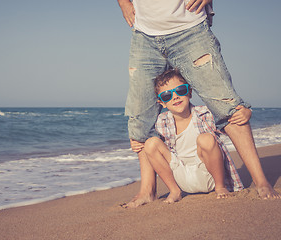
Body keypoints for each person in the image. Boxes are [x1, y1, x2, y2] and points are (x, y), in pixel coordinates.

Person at [117, 0, 280, 207]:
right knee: (140, 118)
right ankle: (147, 190)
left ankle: (261, 181)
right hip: (144, 34)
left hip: (189, 28)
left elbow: (229, 112)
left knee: (226, 105)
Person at [144, 69, 246, 203]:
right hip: (182, 177)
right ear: (162, 103)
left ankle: (220, 187)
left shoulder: (205, 114)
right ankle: (174, 191)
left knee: (206, 139)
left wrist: (246, 111)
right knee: (150, 143)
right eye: (167, 95)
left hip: (209, 174)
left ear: (189, 92)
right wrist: (136, 141)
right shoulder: (161, 121)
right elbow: (156, 150)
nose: (175, 97)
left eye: (180, 90)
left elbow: (230, 125)